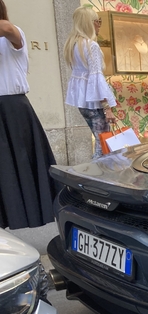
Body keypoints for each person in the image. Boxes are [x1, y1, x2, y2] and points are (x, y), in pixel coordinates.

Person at [0, 0, 58, 229]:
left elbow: (7, 29)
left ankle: (26, 218)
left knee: (19, 165)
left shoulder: (13, 35)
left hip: (13, 110)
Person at [63, 6, 116, 159]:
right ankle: (96, 178)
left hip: (83, 104)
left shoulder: (73, 46)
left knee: (103, 144)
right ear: (90, 23)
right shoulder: (91, 46)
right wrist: (107, 108)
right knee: (104, 147)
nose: (99, 24)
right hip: (96, 105)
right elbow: (96, 79)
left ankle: (99, 175)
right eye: (98, 21)